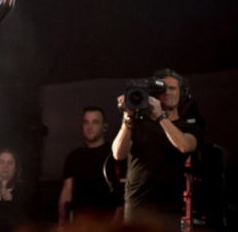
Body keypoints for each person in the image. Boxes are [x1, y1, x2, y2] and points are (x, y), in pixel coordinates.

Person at [112, 69, 201, 231]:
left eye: (173, 88)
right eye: (162, 88)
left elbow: (184, 146)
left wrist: (161, 117)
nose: (167, 92)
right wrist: (127, 117)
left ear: (183, 94)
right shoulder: (138, 124)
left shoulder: (189, 127)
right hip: (137, 205)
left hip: (169, 209)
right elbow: (118, 153)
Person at [58, 106, 122, 228]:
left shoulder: (115, 154)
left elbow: (122, 195)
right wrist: (62, 224)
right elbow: (67, 191)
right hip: (80, 224)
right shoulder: (73, 157)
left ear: (105, 127)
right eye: (86, 122)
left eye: (95, 122)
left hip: (107, 223)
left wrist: (115, 226)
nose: (90, 126)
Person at [0, 148, 32, 232]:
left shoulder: (23, 189)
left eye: (10, 163)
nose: (5, 166)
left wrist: (12, 201)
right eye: (1, 162)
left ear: (16, 167)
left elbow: (29, 219)